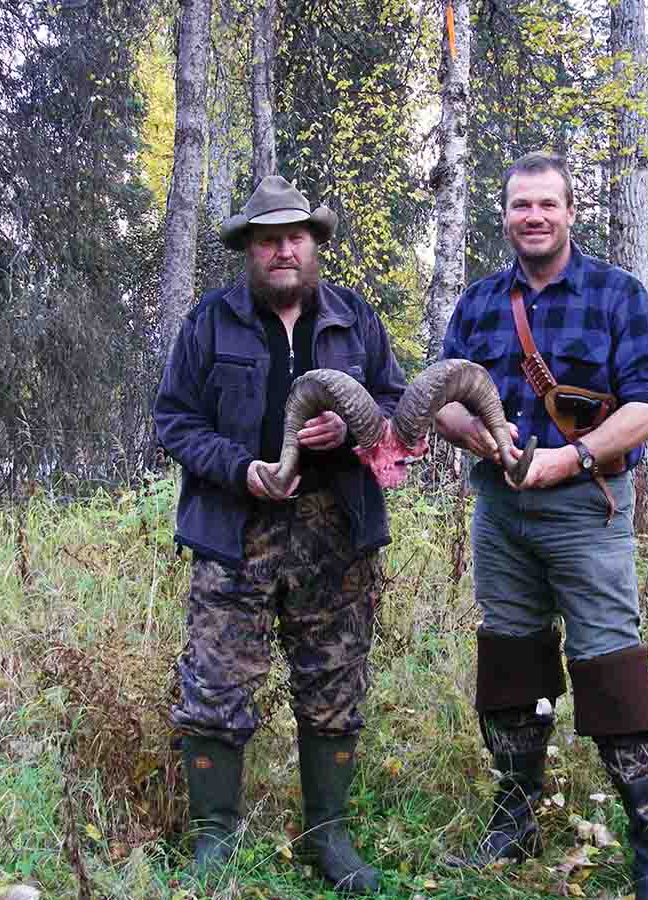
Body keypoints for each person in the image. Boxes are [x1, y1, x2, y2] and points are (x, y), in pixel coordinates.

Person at [434, 152, 648, 900]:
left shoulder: (616, 294)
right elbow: (444, 392)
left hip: (588, 507)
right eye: (520, 206)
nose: (533, 217)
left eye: (547, 204)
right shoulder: (480, 303)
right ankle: (515, 817)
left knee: (611, 661)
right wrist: (480, 438)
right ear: (504, 215)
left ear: (571, 211)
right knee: (511, 654)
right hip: (500, 510)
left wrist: (572, 457)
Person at [153, 175, 407, 894]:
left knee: (334, 682)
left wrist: (355, 427)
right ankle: (214, 837)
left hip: (336, 532)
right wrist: (241, 469)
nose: (283, 251)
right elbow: (174, 421)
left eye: (295, 237)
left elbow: (394, 403)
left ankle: (330, 838)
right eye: (269, 241)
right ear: (249, 251)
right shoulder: (209, 322)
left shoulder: (355, 321)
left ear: (315, 244)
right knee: (215, 682)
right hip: (236, 530)